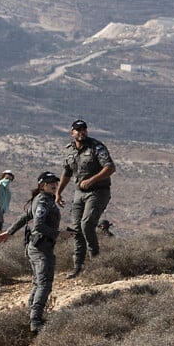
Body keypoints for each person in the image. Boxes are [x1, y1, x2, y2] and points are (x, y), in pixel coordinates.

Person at [0, 171, 62, 333]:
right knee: (44, 283)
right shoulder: (42, 200)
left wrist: (9, 232)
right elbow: (38, 225)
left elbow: (24, 217)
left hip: (38, 246)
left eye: (55, 182)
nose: (53, 184)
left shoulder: (45, 199)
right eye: (49, 182)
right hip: (40, 247)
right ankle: (35, 321)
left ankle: (31, 315)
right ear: (42, 185)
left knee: (38, 282)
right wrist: (59, 234)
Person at [60, 118, 116, 278]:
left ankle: (96, 264)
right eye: (78, 130)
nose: (81, 132)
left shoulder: (96, 147)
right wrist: (58, 192)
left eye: (84, 129)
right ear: (72, 132)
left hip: (98, 191)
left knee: (87, 224)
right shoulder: (68, 150)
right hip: (79, 193)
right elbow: (67, 172)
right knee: (76, 229)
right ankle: (78, 266)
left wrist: (92, 180)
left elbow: (110, 167)